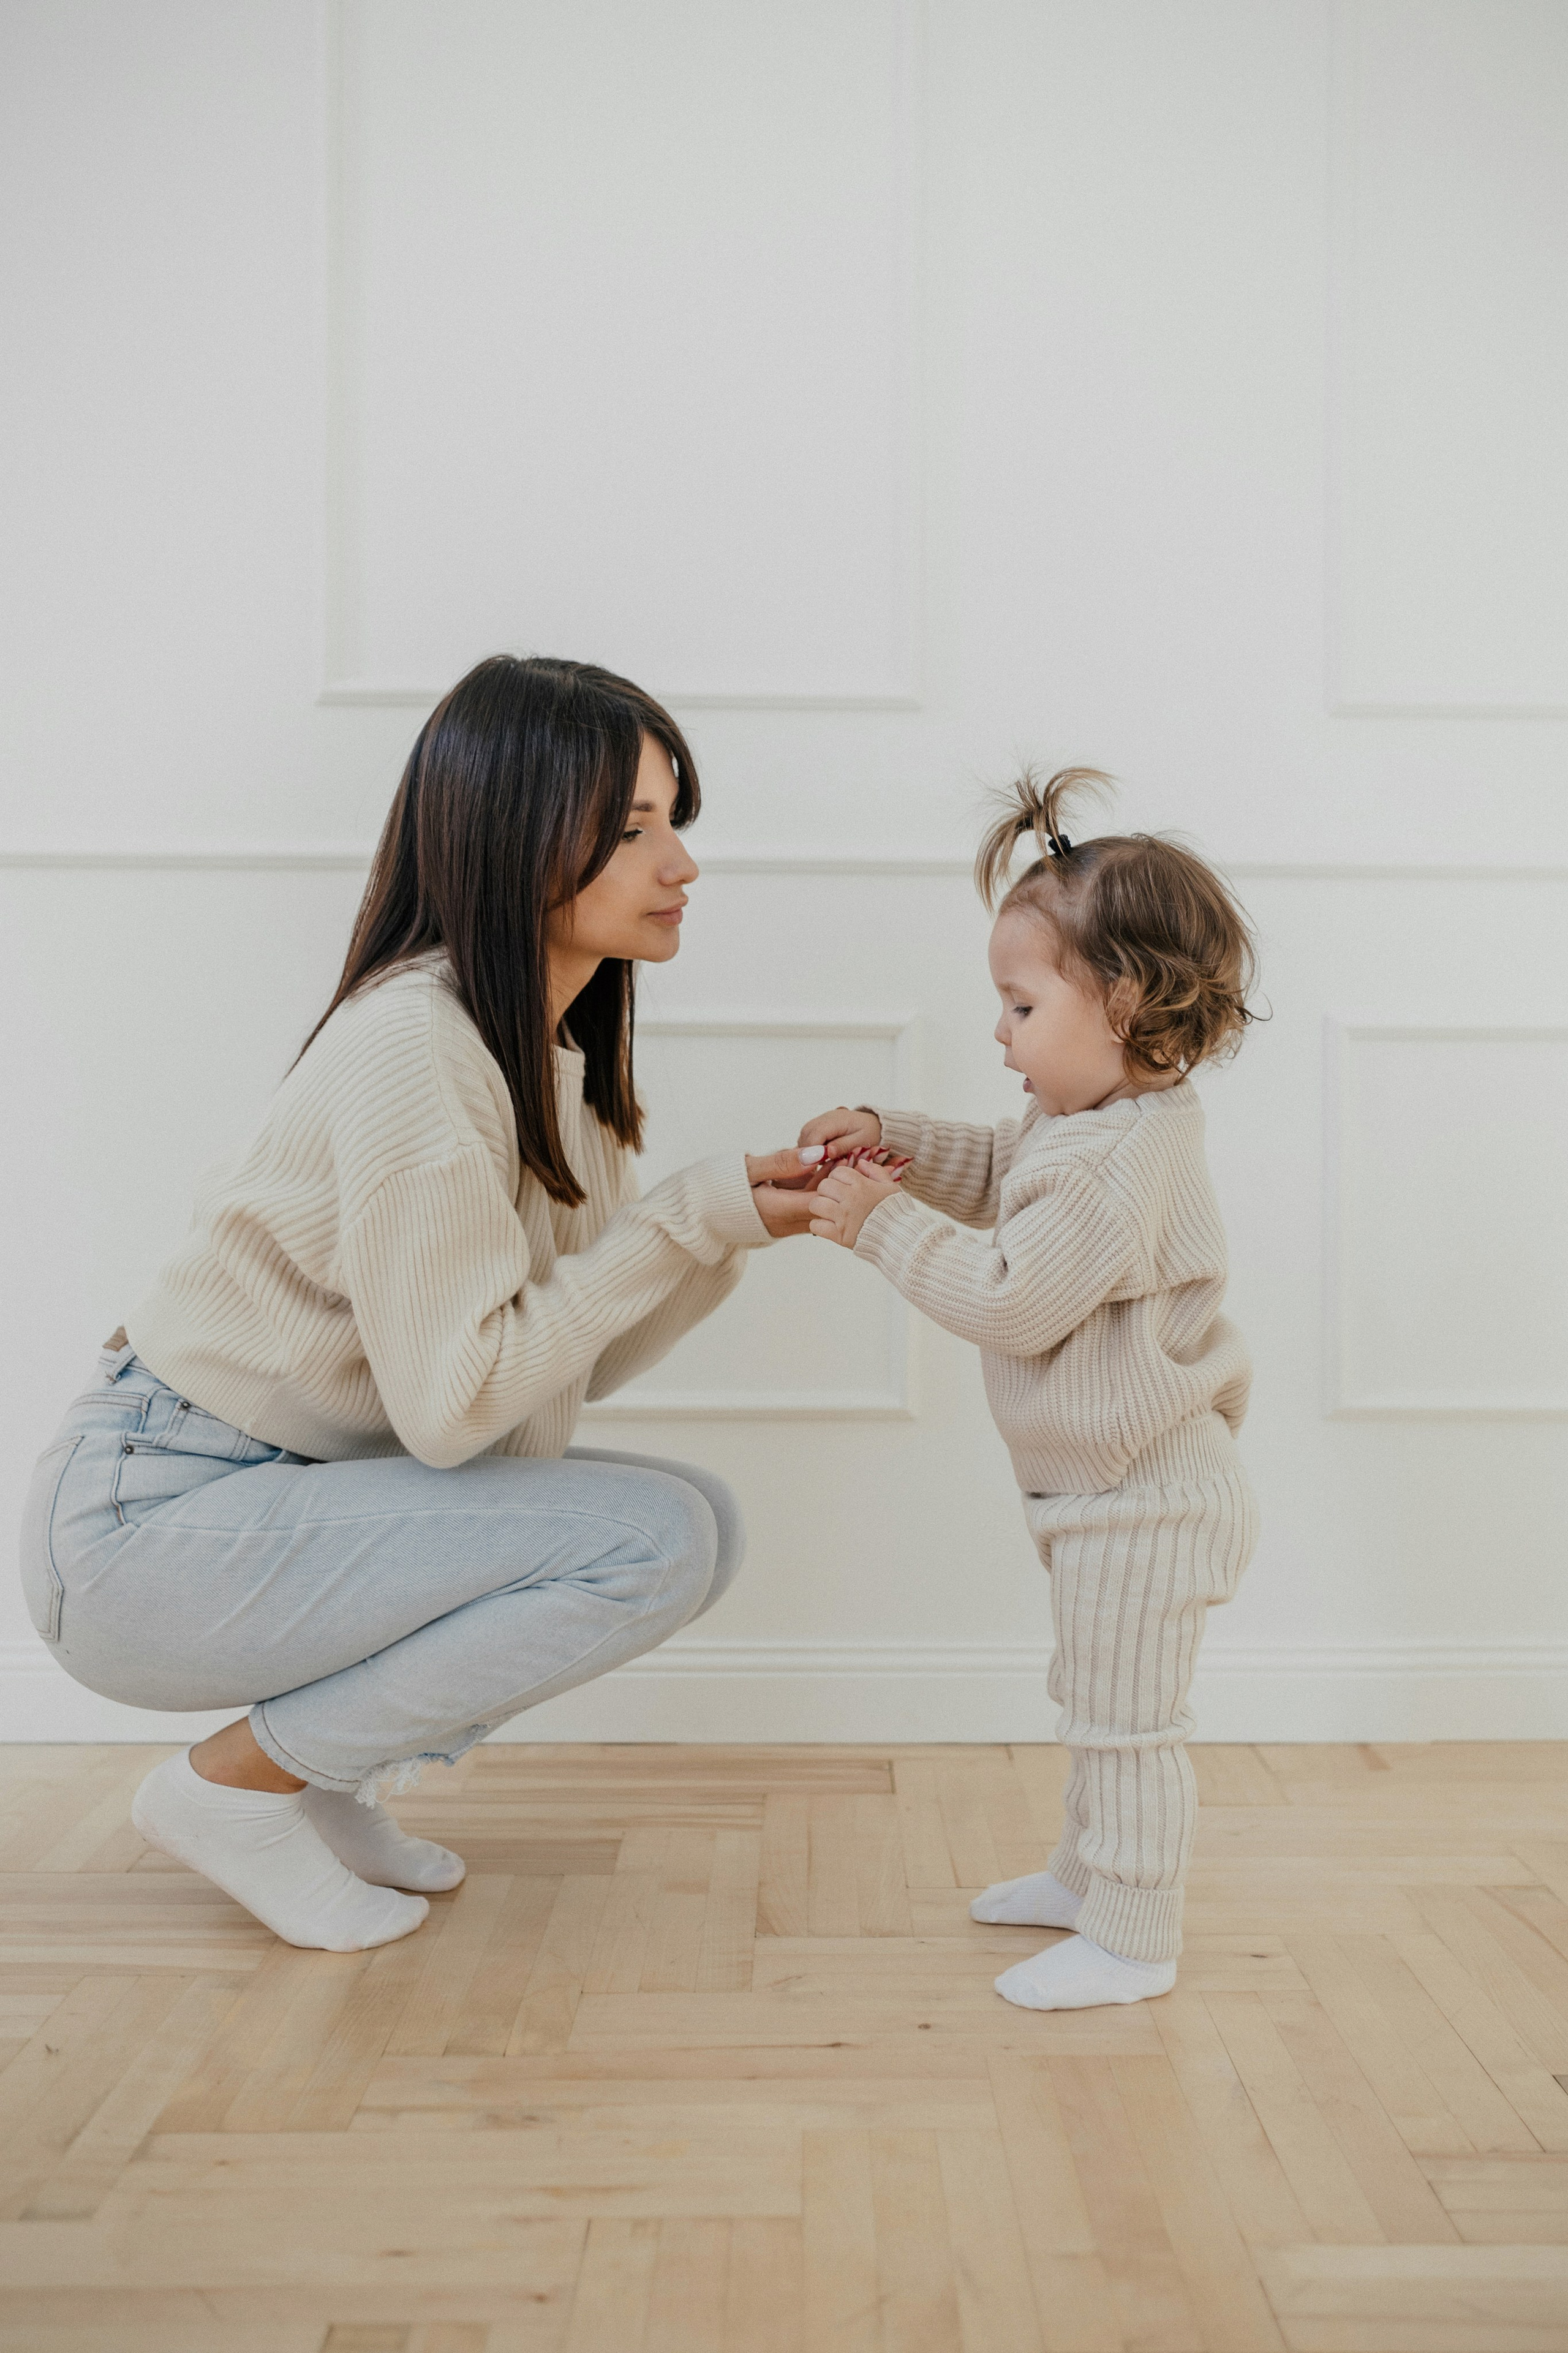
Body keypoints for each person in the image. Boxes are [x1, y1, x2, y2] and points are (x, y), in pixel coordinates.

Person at [19, 655, 820, 1954]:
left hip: (271, 1498)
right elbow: (456, 1413)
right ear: (514, 839)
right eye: (630, 830)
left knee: (697, 1524)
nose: (678, 863)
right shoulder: (416, 1046)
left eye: (674, 821)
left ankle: (314, 1785)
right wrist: (675, 1219)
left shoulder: (544, 1054)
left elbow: (555, 1370)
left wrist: (722, 1233)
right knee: (651, 1536)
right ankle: (235, 1790)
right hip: (145, 1527)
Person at [800, 768, 1259, 2011]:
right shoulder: (1084, 1122)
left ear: (1119, 1001)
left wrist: (875, 1224)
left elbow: (1009, 1297)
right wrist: (888, 1138)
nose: (998, 1033)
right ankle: (1083, 1872)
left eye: (1015, 1004)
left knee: (1126, 1721)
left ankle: (1132, 1933)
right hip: (1106, 1487)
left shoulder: (1112, 1162)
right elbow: (1000, 1164)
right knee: (1093, 1690)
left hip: (1144, 1496)